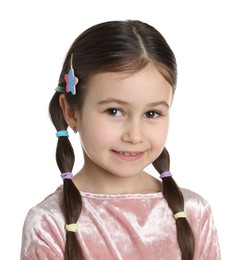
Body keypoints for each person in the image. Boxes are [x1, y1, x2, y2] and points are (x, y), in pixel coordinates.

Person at [21, 20, 221, 260]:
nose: (134, 136)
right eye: (114, 111)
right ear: (71, 112)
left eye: (152, 113)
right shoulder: (50, 223)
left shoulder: (194, 214)